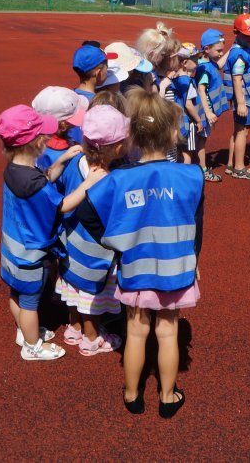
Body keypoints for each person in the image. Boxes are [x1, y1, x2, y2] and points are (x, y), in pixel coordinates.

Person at [73, 89, 203, 419]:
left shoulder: (119, 179)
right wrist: (195, 260)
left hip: (134, 267)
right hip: (176, 265)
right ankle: (168, 395)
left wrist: (114, 240)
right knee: (168, 331)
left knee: (135, 332)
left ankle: (132, 395)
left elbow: (87, 212)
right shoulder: (191, 175)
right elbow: (196, 224)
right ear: (172, 134)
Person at [0, 104, 85, 360]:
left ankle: (25, 331)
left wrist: (63, 159)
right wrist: (89, 184)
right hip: (31, 254)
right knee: (30, 301)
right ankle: (33, 347)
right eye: (42, 135)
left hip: (13, 248)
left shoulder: (15, 169)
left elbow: (45, 177)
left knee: (17, 292)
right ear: (33, 143)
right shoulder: (35, 185)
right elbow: (62, 205)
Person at [56, 105, 128, 356]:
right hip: (95, 251)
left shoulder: (74, 161)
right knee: (90, 295)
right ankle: (91, 337)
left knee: (74, 286)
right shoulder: (109, 178)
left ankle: (74, 328)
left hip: (70, 242)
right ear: (116, 148)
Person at [224, 14, 250, 180]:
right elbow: (236, 79)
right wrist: (241, 104)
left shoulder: (240, 48)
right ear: (236, 32)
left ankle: (232, 164)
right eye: (246, 35)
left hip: (246, 98)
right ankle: (239, 167)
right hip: (245, 99)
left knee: (239, 130)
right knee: (242, 132)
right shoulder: (239, 55)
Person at [194, 29, 229, 182]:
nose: (221, 53)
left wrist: (234, 47)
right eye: (219, 50)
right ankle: (202, 169)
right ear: (207, 49)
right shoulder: (204, 69)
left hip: (204, 111)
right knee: (201, 140)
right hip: (203, 111)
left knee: (200, 139)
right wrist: (208, 112)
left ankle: (198, 166)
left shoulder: (209, 63)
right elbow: (201, 90)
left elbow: (219, 64)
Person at [172, 42, 204, 165]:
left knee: (179, 150)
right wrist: (199, 120)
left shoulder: (175, 79)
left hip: (178, 121)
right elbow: (188, 104)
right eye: (195, 60)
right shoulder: (187, 82)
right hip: (188, 123)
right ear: (185, 63)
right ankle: (185, 175)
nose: (197, 63)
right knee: (187, 152)